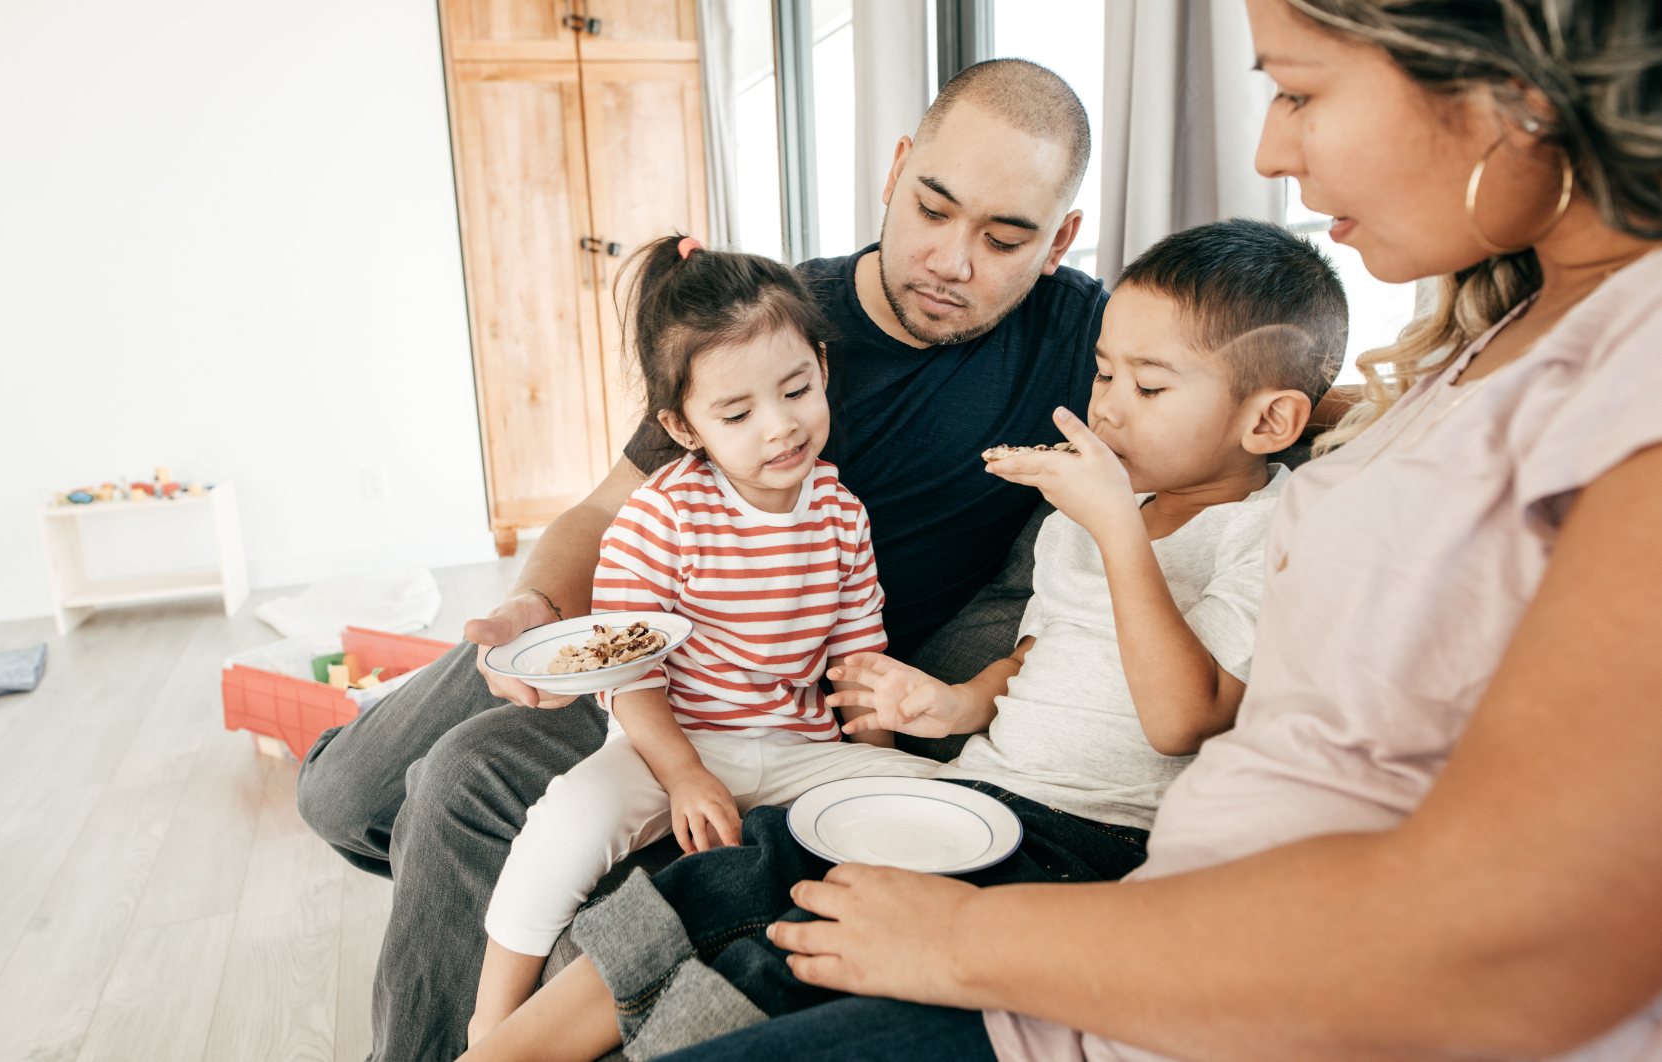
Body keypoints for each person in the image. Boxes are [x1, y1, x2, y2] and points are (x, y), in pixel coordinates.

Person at [544, 2, 1662, 1059]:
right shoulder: (1492, 333)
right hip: (1156, 897)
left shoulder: (1632, 380)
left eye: (1300, 91)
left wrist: (957, 939)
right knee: (662, 870)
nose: (1272, 150)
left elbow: (1533, 931)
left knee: (750, 957)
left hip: (1169, 936)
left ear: (1505, 83)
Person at [297, 58, 1109, 1062]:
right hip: (643, 628)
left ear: (1061, 239)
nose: (952, 259)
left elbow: (1249, 354)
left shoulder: (1078, 334)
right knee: (340, 796)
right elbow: (604, 509)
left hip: (766, 694)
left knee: (460, 782)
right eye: (933, 208)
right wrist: (532, 604)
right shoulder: (776, 325)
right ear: (896, 170)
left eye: (1004, 238)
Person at [459, 218, 1349, 1062]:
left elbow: (1180, 719)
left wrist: (1118, 531)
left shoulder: (1266, 533)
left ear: (1270, 423)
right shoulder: (1081, 521)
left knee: (800, 947)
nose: (1106, 410)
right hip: (983, 786)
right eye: (1104, 374)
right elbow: (1036, 661)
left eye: (1146, 388)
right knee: (739, 875)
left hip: (1088, 841)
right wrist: (957, 700)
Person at [468, 234, 947, 1041]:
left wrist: (886, 759)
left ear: (822, 369)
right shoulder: (661, 518)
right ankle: (489, 1026)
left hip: (796, 743)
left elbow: (857, 664)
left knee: (934, 801)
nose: (781, 428)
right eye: (736, 412)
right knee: (569, 818)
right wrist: (686, 777)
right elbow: (633, 683)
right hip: (673, 740)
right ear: (682, 426)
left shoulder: (840, 511)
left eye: (797, 389)